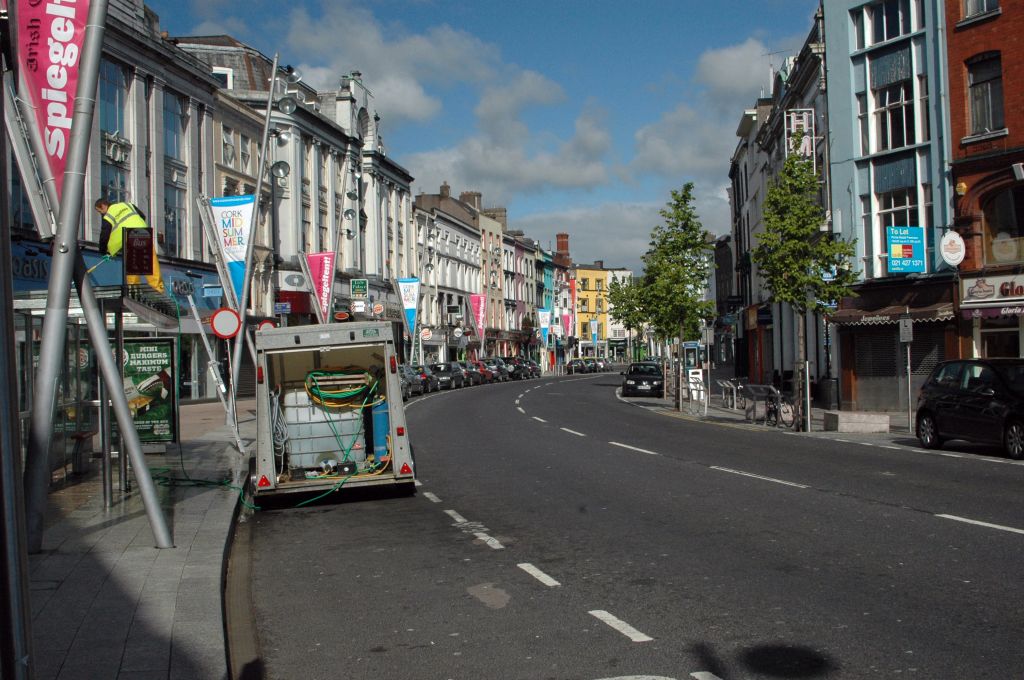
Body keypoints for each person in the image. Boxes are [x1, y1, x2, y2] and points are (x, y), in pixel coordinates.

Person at [94, 198, 164, 294]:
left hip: (130, 235)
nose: (101, 214)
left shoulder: (109, 215)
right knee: (150, 261)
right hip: (143, 231)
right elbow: (142, 216)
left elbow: (104, 234)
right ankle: (157, 288)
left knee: (133, 263)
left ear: (103, 206)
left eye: (100, 211)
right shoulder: (127, 205)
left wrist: (103, 251)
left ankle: (133, 290)